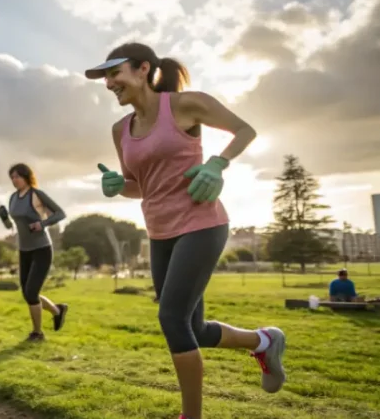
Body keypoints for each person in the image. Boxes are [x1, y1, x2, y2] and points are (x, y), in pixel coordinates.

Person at [86, 42, 286, 419]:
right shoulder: (120, 130)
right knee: (193, 327)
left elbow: (245, 130)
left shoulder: (183, 105)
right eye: (105, 78)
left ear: (142, 69)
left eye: (115, 73)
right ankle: (264, 342)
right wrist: (118, 186)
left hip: (202, 224)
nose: (109, 83)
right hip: (160, 234)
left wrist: (217, 162)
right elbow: (140, 185)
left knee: (172, 319)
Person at [1, 163, 69, 342]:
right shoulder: (13, 198)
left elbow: (61, 213)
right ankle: (57, 310)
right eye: (12, 177)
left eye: (17, 176)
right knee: (27, 293)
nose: (14, 180)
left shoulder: (36, 194)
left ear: (26, 176)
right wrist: (4, 218)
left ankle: (37, 333)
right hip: (24, 250)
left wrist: (43, 224)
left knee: (31, 293)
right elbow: (11, 227)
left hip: (41, 249)